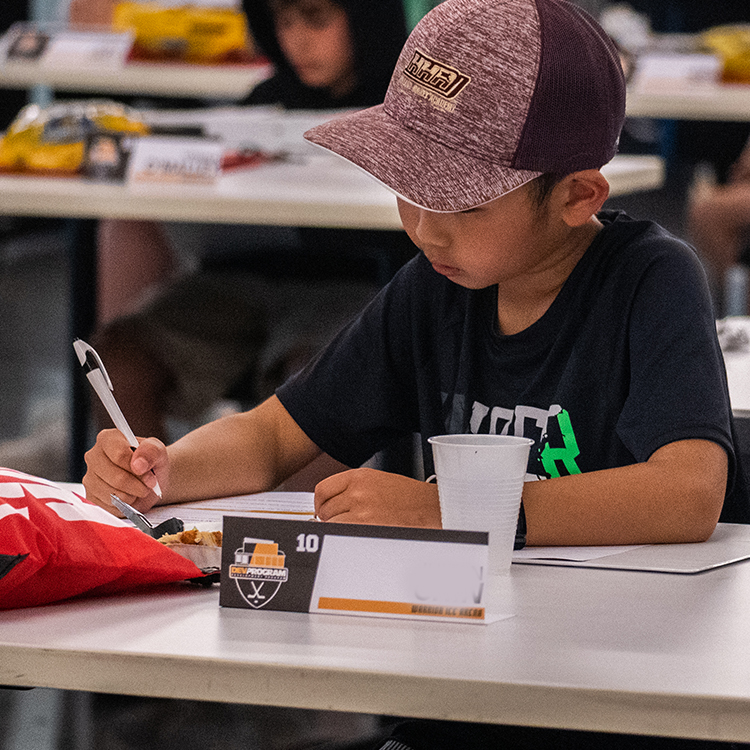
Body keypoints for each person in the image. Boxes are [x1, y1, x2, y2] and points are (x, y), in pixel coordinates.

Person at [83, 0, 749, 746]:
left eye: (457, 202)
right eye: (407, 186)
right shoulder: (434, 290)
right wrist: (164, 468)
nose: (423, 225)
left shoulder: (651, 281)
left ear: (577, 196)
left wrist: (453, 513)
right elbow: (273, 437)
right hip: (459, 681)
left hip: (618, 684)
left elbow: (687, 491)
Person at [90, 0, 413, 473]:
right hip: (242, 275)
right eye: (282, 21)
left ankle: (291, 535)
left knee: (314, 386)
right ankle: (146, 508)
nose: (297, 39)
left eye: (316, 18)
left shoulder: (405, 106)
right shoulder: (260, 103)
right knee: (117, 357)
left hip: (358, 281)